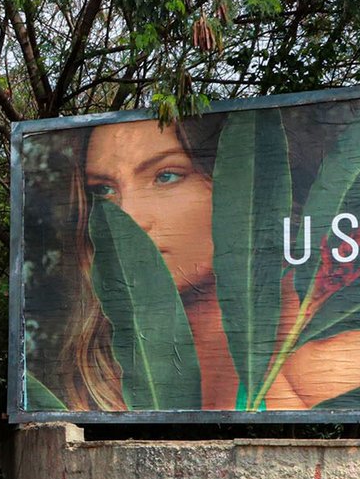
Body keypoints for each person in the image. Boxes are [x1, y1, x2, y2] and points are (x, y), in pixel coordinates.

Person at [57, 114, 360, 411]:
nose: (130, 218)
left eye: (166, 176)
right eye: (103, 190)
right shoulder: (102, 369)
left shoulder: (322, 355)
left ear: (238, 186)